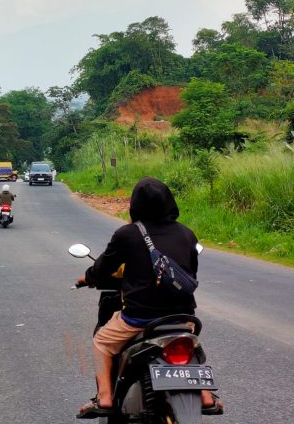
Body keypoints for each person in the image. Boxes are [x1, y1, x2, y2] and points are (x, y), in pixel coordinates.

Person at [76, 176, 222, 418]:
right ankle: (206, 396)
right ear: (169, 202)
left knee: (101, 342)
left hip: (140, 318)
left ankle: (105, 398)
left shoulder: (127, 234)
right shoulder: (187, 234)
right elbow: (190, 274)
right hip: (182, 317)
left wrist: (87, 278)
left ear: (135, 205)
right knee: (192, 344)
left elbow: (102, 269)